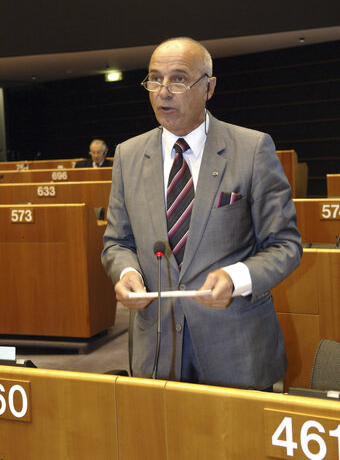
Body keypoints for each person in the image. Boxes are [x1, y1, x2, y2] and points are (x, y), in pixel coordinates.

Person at [102, 37, 302, 390]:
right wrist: (127, 272)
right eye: (154, 79)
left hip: (236, 347)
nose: (163, 92)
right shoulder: (128, 155)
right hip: (156, 347)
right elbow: (117, 242)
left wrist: (235, 278)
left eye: (178, 79)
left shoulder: (252, 149)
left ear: (208, 87)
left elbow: (285, 245)